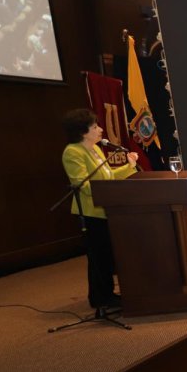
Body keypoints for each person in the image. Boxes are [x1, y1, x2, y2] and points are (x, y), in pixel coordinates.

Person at [61, 109, 140, 309]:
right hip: (91, 212)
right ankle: (100, 298)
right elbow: (83, 185)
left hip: (106, 209)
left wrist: (129, 166)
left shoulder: (95, 149)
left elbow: (108, 177)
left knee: (108, 254)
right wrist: (108, 191)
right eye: (95, 127)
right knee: (99, 256)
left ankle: (107, 294)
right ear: (83, 131)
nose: (100, 130)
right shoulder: (73, 152)